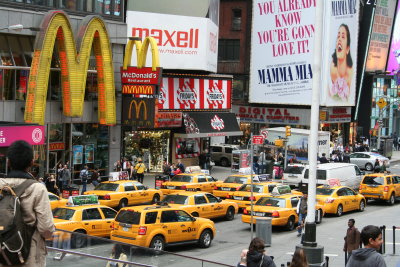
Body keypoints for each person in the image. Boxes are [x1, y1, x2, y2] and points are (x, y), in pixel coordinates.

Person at [0, 140, 55, 266]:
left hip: (2, 255)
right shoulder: (37, 188)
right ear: (31, 162)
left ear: (8, 162)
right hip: (28, 256)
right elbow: (46, 229)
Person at [329, 24, 354, 101]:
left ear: (347, 49)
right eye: (338, 36)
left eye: (343, 37)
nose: (339, 39)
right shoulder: (332, 69)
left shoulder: (351, 73)